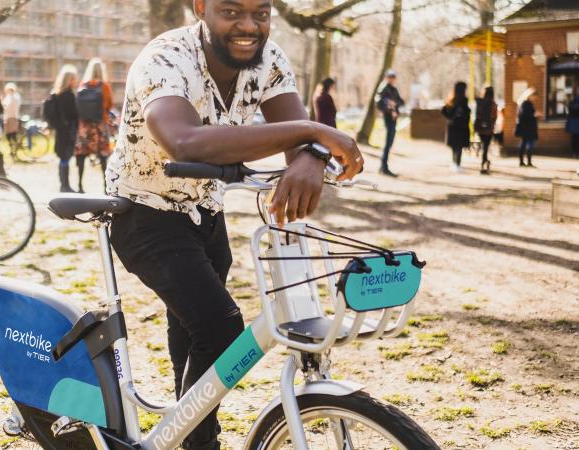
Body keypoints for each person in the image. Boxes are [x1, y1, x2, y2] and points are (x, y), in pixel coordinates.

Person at [104, 1, 363, 448]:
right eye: (231, 11)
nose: (249, 26)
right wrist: (314, 134)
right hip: (142, 211)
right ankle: (199, 443)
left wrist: (313, 153)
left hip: (206, 209)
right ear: (201, 7)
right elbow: (185, 142)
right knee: (220, 328)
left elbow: (296, 133)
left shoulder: (270, 58)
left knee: (192, 330)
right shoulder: (164, 59)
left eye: (261, 13)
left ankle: (184, 434)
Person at [75, 58, 113, 193]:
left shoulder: (82, 85)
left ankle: (79, 186)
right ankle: (105, 186)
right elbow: (109, 105)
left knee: (81, 155)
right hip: (99, 125)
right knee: (103, 156)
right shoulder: (105, 86)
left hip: (84, 127)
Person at [51, 64, 79, 192]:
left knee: (63, 158)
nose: (76, 81)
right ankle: (65, 186)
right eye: (74, 78)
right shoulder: (68, 95)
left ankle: (63, 184)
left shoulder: (56, 94)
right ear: (69, 80)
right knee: (65, 159)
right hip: (68, 132)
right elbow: (73, 114)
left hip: (60, 131)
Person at [375, 69, 403, 176]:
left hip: (394, 118)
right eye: (390, 77)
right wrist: (389, 109)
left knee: (390, 142)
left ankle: (384, 165)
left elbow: (401, 101)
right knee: (388, 143)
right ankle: (383, 167)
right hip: (388, 118)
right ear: (387, 77)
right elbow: (379, 102)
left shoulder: (394, 89)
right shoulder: (383, 88)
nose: (392, 79)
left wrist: (394, 104)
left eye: (393, 77)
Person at [441, 81, 471, 173]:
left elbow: (443, 111)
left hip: (453, 127)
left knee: (455, 147)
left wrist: (450, 118)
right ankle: (457, 164)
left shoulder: (452, 99)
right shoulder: (463, 101)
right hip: (461, 128)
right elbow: (466, 114)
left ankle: (455, 163)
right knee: (459, 147)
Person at [474, 85, 497, 175]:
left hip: (480, 128)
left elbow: (476, 115)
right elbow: (494, 116)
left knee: (484, 146)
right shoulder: (492, 104)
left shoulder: (479, 102)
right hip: (488, 128)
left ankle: (484, 160)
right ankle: (484, 163)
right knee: (486, 147)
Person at [515, 89, 540, 167]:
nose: (535, 99)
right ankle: (523, 162)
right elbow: (523, 116)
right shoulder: (525, 104)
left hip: (527, 128)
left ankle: (526, 162)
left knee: (525, 144)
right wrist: (534, 115)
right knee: (527, 144)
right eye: (534, 96)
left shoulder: (527, 104)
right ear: (530, 96)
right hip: (527, 128)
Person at [2, 82, 21, 150]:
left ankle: (15, 148)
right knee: (8, 135)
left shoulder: (15, 97)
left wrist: (4, 107)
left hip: (12, 118)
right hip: (7, 118)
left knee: (12, 134)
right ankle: (12, 148)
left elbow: (8, 107)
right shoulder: (8, 97)